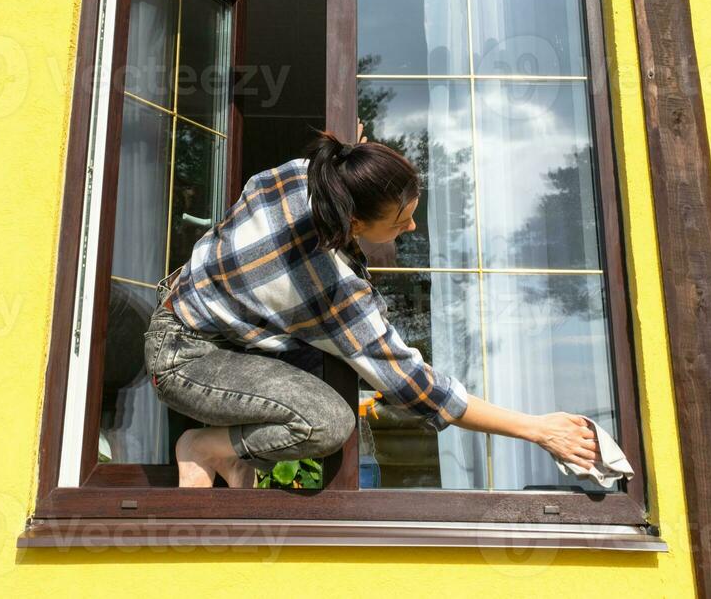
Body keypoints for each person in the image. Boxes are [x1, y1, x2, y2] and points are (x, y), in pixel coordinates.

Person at [143, 125, 599, 488]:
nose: (413, 226)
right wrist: (537, 429)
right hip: (185, 360)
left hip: (192, 310)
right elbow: (418, 388)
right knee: (327, 421)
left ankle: (233, 454)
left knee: (329, 362)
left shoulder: (301, 174)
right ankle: (205, 446)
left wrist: (360, 152)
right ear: (354, 220)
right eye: (401, 222)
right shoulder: (334, 291)